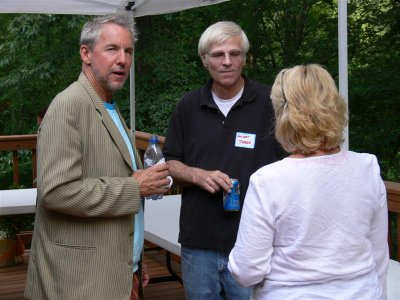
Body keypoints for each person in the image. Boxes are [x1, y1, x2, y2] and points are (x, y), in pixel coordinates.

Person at [24, 14, 170, 300]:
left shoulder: (108, 106)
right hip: (79, 281)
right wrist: (134, 187)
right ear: (86, 53)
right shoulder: (69, 105)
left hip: (116, 270)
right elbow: (56, 192)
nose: (123, 59)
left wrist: (133, 261)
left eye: (128, 51)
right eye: (112, 49)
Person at [228, 64, 389, 300]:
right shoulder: (367, 168)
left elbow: (246, 271)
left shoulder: (268, 180)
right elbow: (378, 255)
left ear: (284, 115)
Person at [163, 21, 279, 299]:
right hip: (199, 241)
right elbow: (171, 162)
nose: (227, 62)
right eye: (218, 55)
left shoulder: (271, 101)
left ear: (245, 58)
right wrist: (197, 176)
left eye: (234, 53)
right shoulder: (188, 106)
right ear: (204, 60)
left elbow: (294, 162)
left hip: (253, 241)